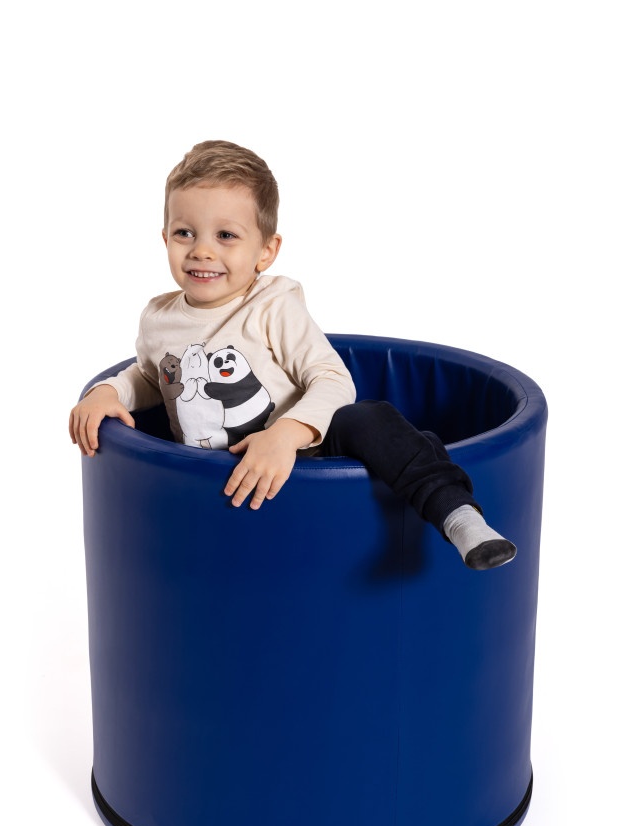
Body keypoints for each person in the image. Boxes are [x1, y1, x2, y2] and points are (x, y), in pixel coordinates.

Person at [69, 141, 516, 570]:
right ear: (165, 237)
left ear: (266, 251)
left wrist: (286, 434)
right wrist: (109, 392)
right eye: (185, 233)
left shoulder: (271, 306)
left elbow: (333, 379)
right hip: (215, 483)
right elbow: (153, 377)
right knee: (411, 441)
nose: (202, 250)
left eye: (226, 235)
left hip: (308, 454)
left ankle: (458, 515)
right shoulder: (159, 318)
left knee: (370, 420)